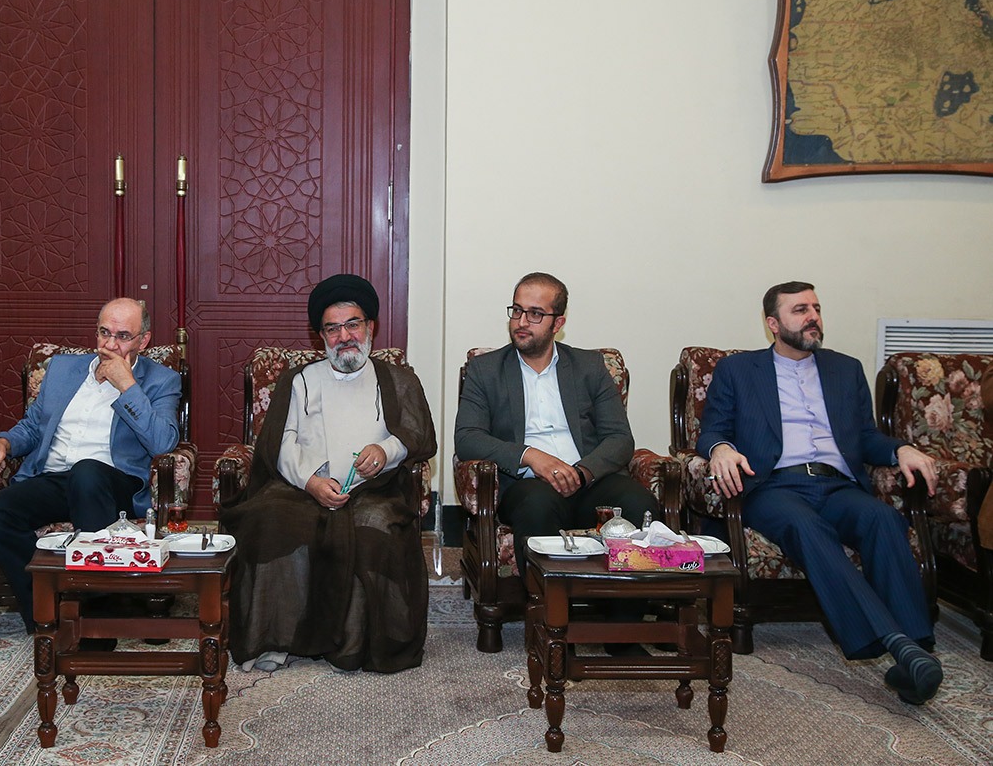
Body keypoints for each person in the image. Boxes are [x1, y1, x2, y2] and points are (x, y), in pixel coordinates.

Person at [700, 281, 942, 704]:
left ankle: (916, 653)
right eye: (799, 310)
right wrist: (720, 449)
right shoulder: (738, 370)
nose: (812, 317)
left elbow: (866, 436)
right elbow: (712, 430)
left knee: (883, 518)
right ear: (773, 323)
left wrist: (900, 448)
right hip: (773, 486)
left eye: (815, 308)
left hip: (836, 484)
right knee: (807, 527)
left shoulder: (845, 368)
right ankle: (900, 645)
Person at [221, 273, 436, 673]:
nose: (344, 337)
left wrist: (384, 451)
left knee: (374, 527)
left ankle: (355, 645)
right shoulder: (300, 380)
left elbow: (416, 435)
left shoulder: (398, 380)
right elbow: (280, 444)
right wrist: (311, 482)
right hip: (302, 489)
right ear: (320, 336)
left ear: (370, 327)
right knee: (269, 521)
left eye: (352, 324)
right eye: (332, 329)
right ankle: (276, 637)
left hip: (375, 488)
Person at [0, 298, 180, 633]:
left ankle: (98, 621)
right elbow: (34, 426)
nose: (110, 344)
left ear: (143, 341)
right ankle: (47, 613)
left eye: (123, 336)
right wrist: (4, 443)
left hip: (112, 484)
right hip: (54, 479)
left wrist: (127, 385)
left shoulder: (161, 380)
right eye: (104, 332)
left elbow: (162, 442)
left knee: (86, 471)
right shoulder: (62, 369)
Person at [454, 272, 660, 569]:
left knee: (638, 503)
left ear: (558, 323)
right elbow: (467, 437)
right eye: (517, 310)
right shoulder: (485, 370)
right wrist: (531, 456)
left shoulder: (589, 367)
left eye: (535, 314)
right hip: (528, 484)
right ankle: (545, 597)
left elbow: (619, 438)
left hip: (589, 481)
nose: (522, 322)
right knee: (536, 505)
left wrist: (582, 473)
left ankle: (623, 598)